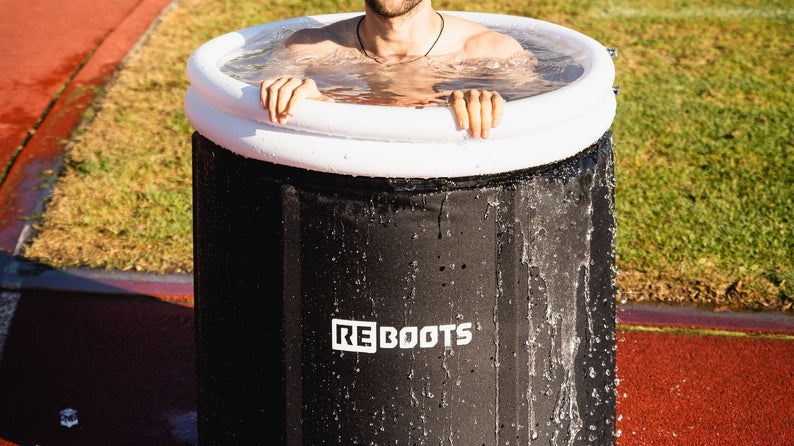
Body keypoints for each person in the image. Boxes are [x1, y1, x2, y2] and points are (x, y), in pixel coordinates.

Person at [259, 0, 525, 139]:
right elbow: (252, 112)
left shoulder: (495, 53)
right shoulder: (304, 50)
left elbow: (539, 114)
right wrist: (309, 103)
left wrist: (488, 103)